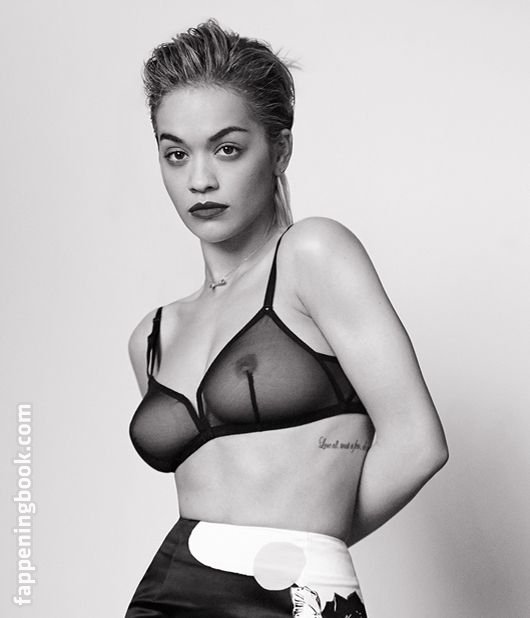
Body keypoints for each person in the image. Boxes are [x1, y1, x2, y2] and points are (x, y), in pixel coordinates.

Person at [125, 19, 449, 618]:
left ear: (279, 150)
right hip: (167, 595)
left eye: (227, 148)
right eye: (176, 154)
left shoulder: (312, 256)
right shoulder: (152, 335)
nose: (200, 179)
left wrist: (306, 549)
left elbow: (417, 442)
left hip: (294, 590)